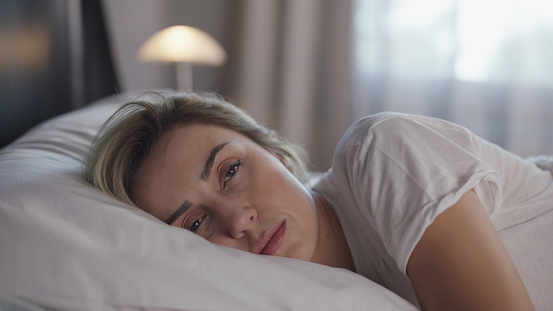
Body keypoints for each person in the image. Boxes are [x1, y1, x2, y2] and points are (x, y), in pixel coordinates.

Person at [84, 91, 553, 310]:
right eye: (193, 224)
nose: (238, 219)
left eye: (230, 170)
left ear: (277, 152)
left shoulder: (381, 150)